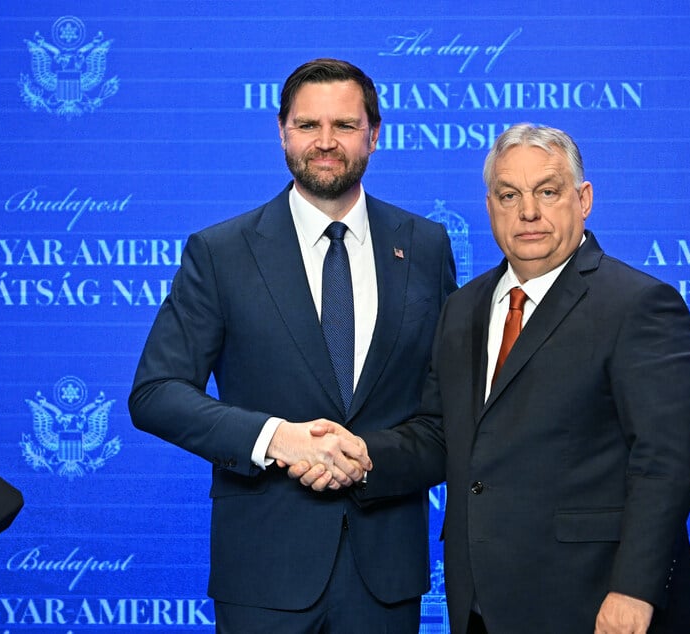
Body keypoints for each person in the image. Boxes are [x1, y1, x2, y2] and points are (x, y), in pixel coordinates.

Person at [294, 123, 690, 634]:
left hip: (600, 605)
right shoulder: (462, 309)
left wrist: (634, 591)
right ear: (490, 206)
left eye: (548, 192)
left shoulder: (638, 304)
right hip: (483, 606)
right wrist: (359, 456)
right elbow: (440, 434)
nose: (528, 212)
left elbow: (665, 460)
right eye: (509, 195)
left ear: (584, 200)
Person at [128, 57, 457, 633]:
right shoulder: (221, 252)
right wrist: (276, 439)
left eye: (345, 126)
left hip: (385, 575)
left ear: (375, 135)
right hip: (262, 574)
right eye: (308, 126)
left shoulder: (426, 248)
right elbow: (155, 393)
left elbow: (448, 416)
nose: (325, 142)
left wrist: (365, 459)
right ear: (281, 131)